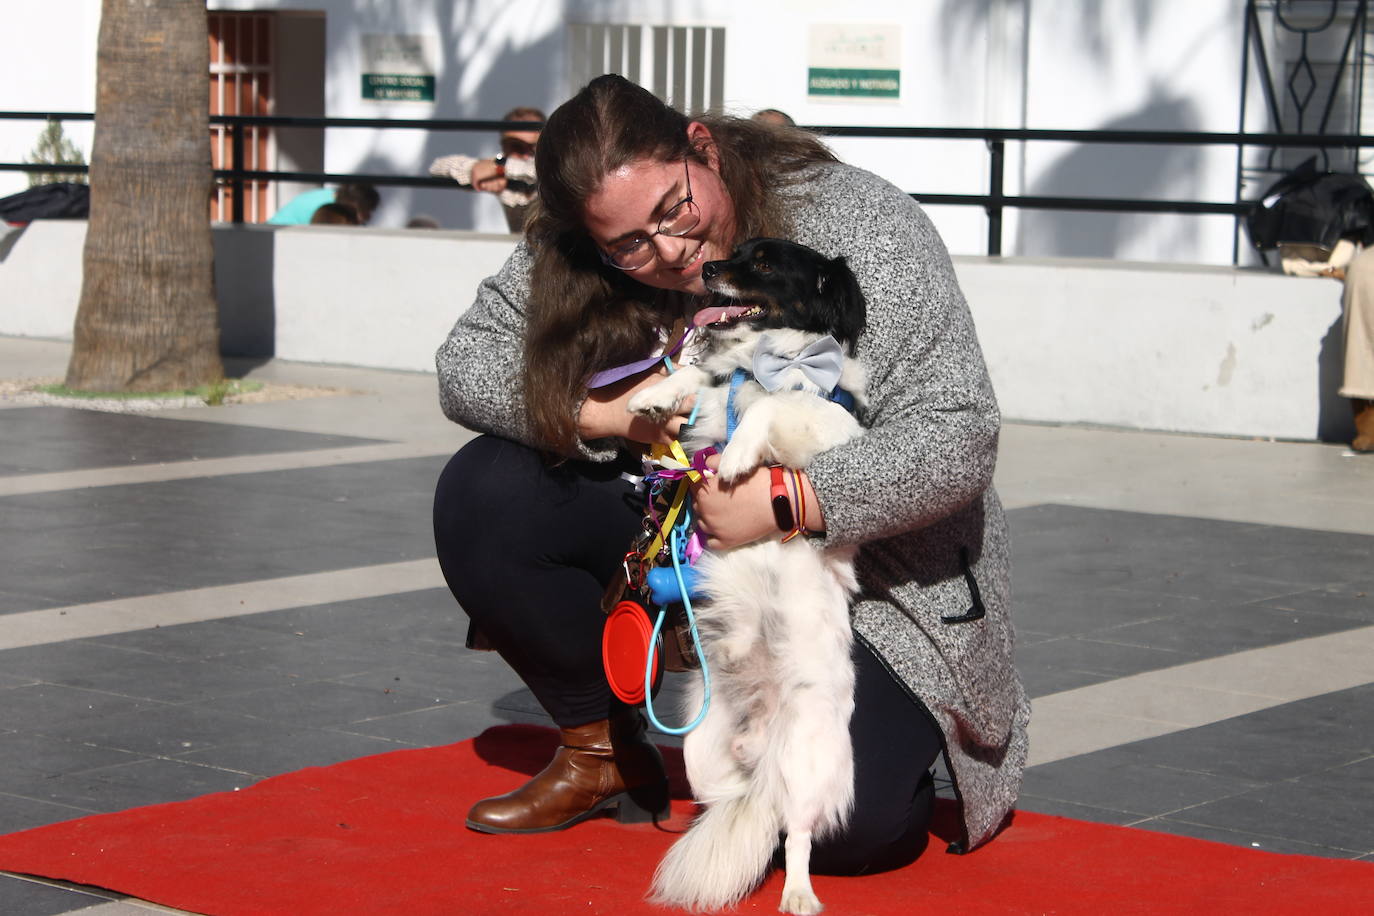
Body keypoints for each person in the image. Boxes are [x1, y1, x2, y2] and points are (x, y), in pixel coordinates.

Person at [433, 75, 1028, 872]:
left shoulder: (859, 221)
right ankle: (600, 747)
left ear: (701, 147)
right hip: (676, 520)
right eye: (628, 246)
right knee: (486, 494)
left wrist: (790, 501)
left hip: (873, 574)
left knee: (846, 828)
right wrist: (607, 419)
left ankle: (891, 722)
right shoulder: (581, 239)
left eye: (676, 209)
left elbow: (958, 433)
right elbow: (464, 364)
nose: (671, 252)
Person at [430, 106, 544, 232]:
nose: (526, 154)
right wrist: (476, 171)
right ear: (503, 146)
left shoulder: (550, 171)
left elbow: (541, 170)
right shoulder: (495, 164)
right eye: (516, 146)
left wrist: (500, 168)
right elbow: (436, 167)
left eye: (535, 147)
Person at [267, 182, 378, 226]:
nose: (368, 217)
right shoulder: (328, 211)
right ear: (354, 205)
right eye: (366, 210)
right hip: (277, 236)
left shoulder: (331, 198)